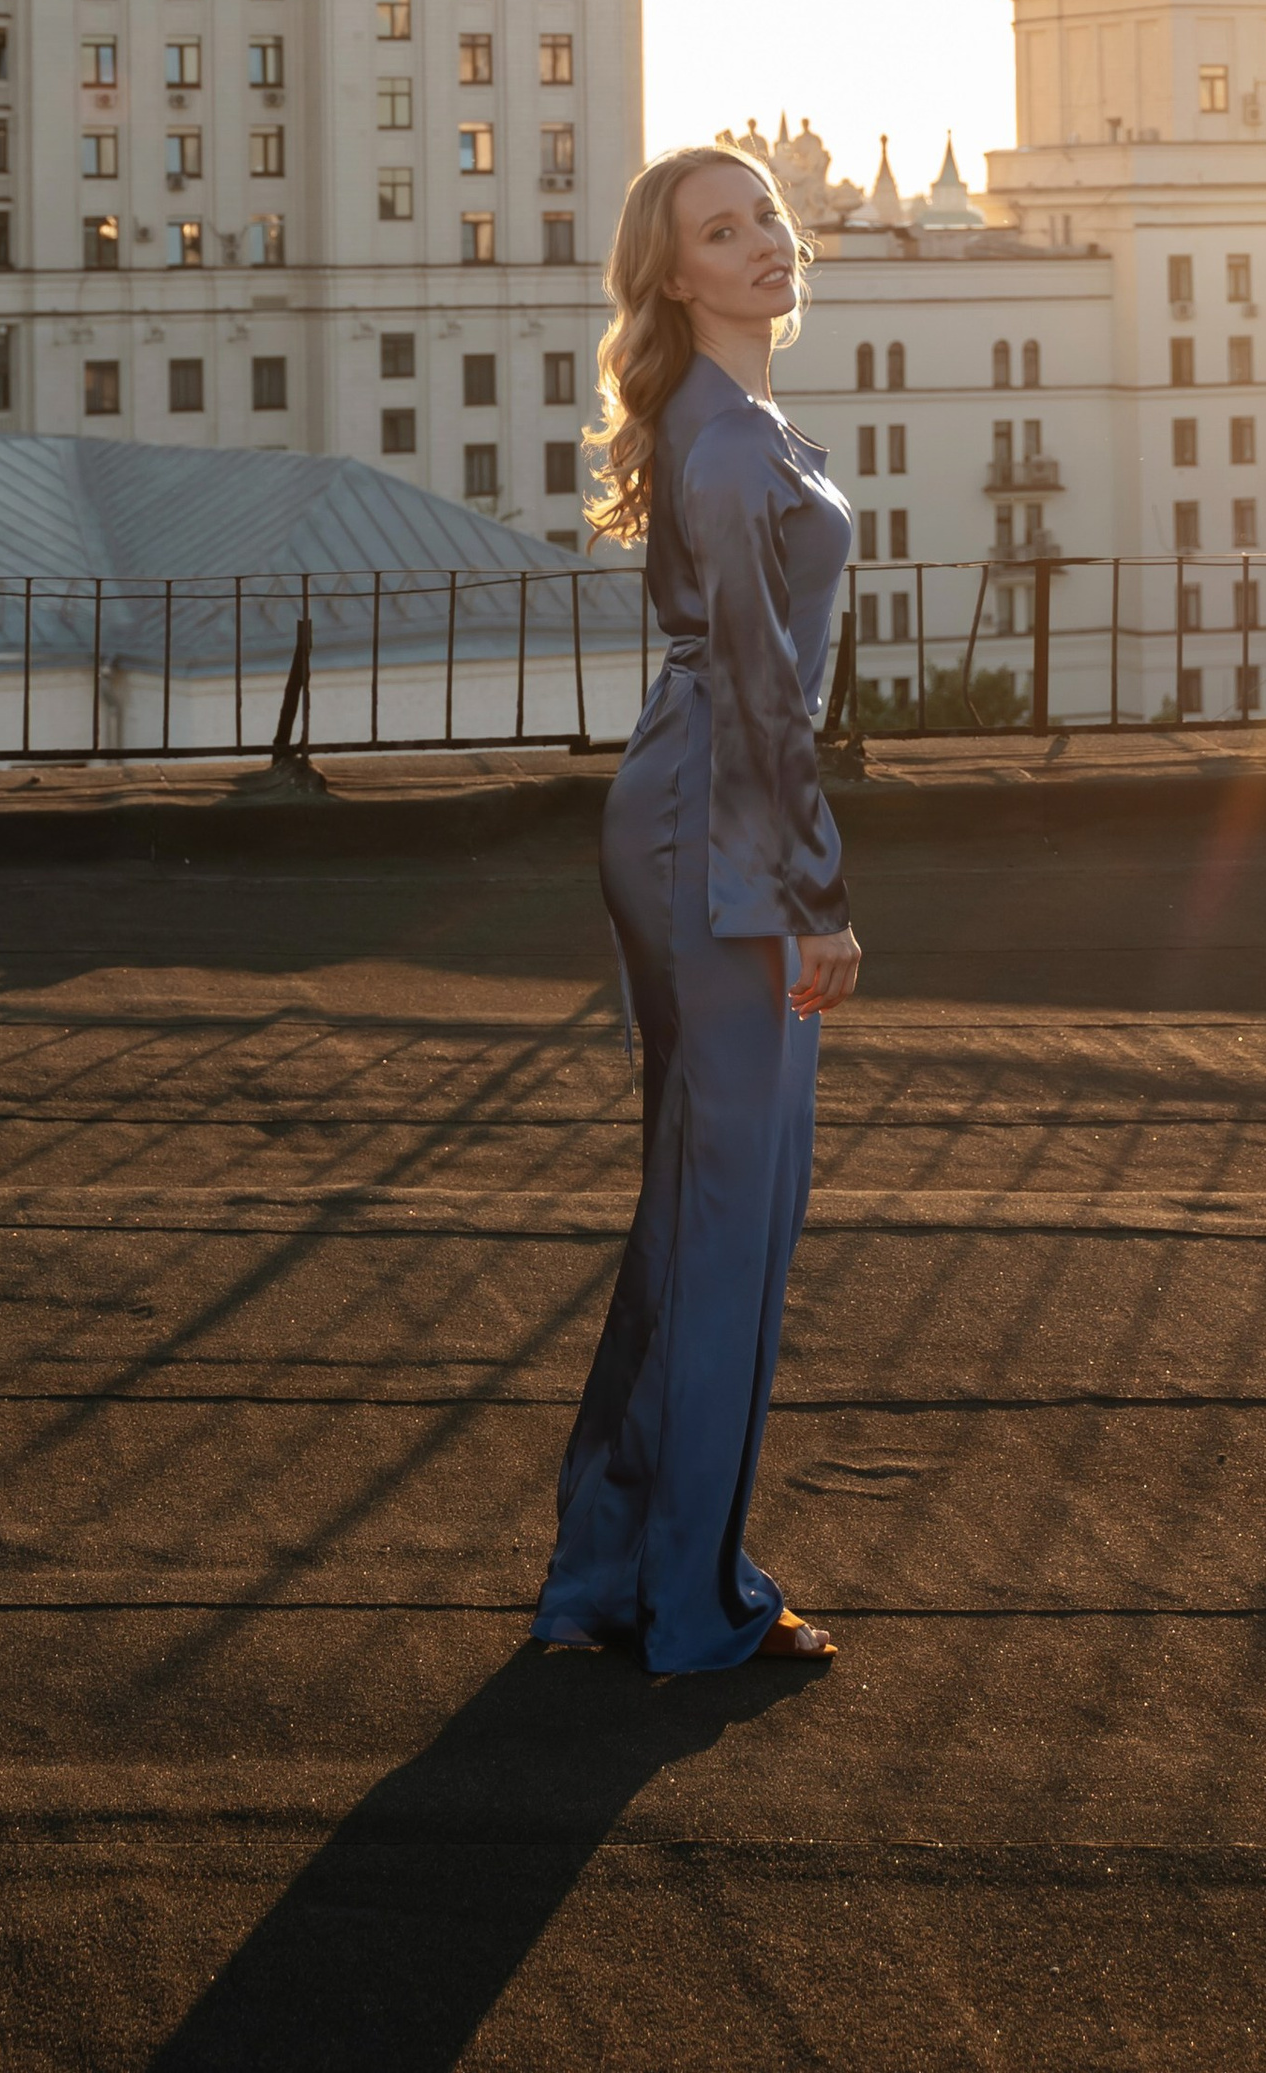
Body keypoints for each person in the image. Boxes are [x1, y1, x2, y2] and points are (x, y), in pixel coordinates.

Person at [532, 144, 861, 1675]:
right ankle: (687, 1600)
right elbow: (759, 689)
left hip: (698, 806)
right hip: (717, 824)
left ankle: (611, 1577)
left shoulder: (739, 425)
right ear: (674, 278)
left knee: (706, 1211)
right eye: (722, 233)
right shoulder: (726, 444)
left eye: (767, 217)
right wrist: (814, 897)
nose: (763, 243)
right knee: (731, 1218)